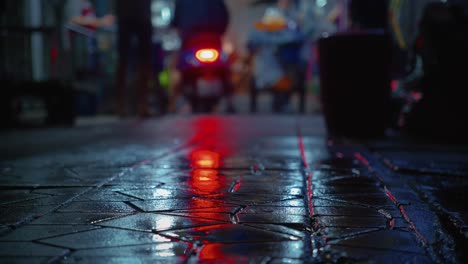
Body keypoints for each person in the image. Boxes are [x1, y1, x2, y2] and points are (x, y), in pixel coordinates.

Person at [115, 0, 152, 117]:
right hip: (126, 15)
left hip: (141, 15)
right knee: (123, 60)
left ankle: (143, 105)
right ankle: (121, 105)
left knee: (143, 61)